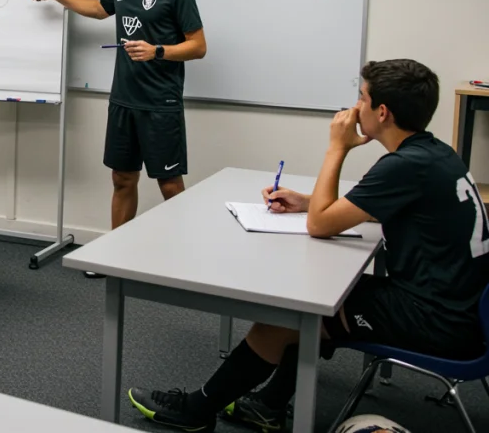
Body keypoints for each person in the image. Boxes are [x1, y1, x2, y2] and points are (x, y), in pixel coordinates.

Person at [128, 59, 489, 432]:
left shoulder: (403, 166)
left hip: (439, 322)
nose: (353, 108)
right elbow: (377, 208)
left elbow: (319, 226)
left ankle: (196, 410)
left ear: (382, 112)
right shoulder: (432, 154)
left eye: (361, 98)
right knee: (317, 302)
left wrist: (337, 148)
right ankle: (268, 404)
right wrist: (307, 200)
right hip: (458, 308)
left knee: (294, 311)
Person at [23, 0, 206, 277]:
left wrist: (157, 51)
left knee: (170, 184)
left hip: (161, 103)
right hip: (123, 100)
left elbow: (198, 46)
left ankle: (188, 262)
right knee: (123, 179)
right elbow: (99, 8)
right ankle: (115, 255)